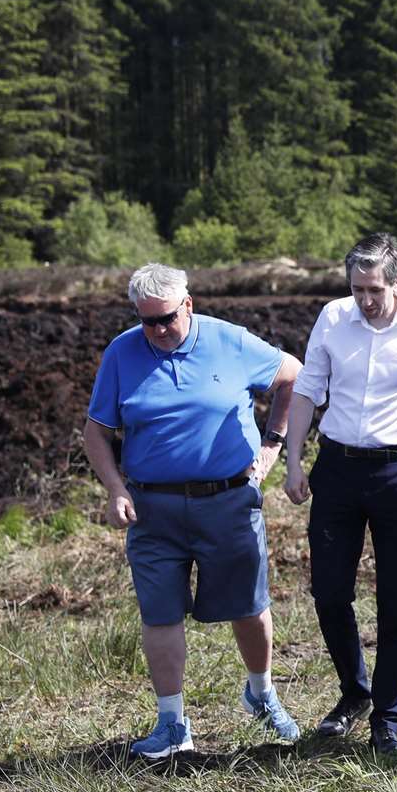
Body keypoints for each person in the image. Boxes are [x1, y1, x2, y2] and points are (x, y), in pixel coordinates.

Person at [84, 263, 304, 759]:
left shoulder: (231, 341)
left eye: (166, 318)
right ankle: (172, 723)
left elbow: (294, 378)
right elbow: (96, 431)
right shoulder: (122, 353)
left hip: (228, 500)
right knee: (159, 612)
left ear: (188, 304)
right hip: (153, 508)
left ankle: (261, 692)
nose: (158, 331)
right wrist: (115, 487)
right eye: (147, 322)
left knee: (248, 605)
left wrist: (272, 445)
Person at [283, 234, 397, 754]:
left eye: (375, 289)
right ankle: (354, 692)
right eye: (357, 289)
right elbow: (309, 388)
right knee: (329, 591)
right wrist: (293, 462)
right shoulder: (333, 319)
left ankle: (389, 716)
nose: (366, 299)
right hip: (336, 466)